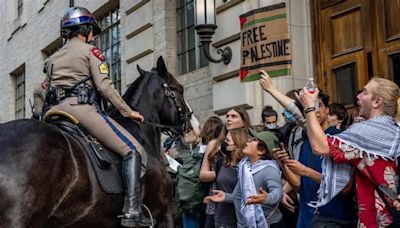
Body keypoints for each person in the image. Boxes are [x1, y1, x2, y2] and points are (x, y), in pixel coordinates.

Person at [44, 7, 150, 227]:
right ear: (84, 30)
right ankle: (132, 211)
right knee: (132, 150)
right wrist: (128, 111)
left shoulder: (52, 59)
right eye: (91, 30)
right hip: (80, 109)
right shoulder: (90, 52)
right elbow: (104, 87)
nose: (93, 35)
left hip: (53, 113)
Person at [297, 77, 400, 227]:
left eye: (364, 93)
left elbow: (320, 147)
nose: (358, 96)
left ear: (377, 102)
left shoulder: (370, 130)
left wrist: (309, 107)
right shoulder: (392, 129)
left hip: (380, 220)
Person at [205, 129, 284, 227]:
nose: (247, 141)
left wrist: (267, 198)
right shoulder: (245, 166)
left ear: (261, 150)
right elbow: (239, 196)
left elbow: (278, 192)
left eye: (253, 140)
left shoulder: (268, 169)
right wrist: (225, 197)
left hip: (269, 224)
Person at [200, 108, 252, 228]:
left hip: (242, 205)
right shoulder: (214, 143)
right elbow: (203, 174)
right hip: (217, 200)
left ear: (243, 122)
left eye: (234, 116)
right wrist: (224, 171)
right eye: (227, 116)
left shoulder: (250, 143)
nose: (228, 119)